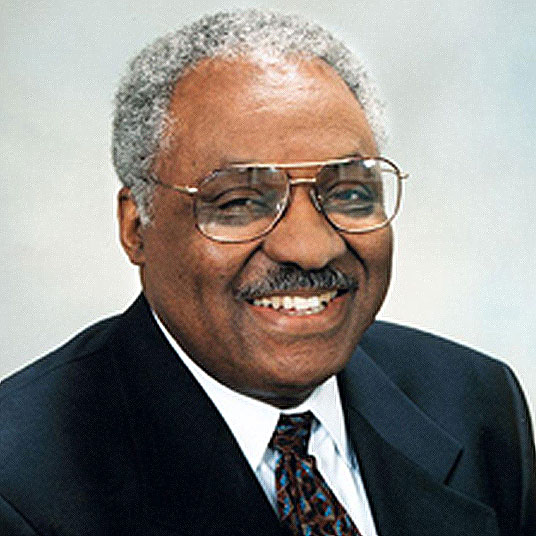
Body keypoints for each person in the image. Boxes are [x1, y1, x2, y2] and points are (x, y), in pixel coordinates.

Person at [0, 9, 534, 536]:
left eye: (349, 193)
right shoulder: (19, 486)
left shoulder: (475, 403)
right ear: (137, 227)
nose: (310, 248)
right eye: (239, 202)